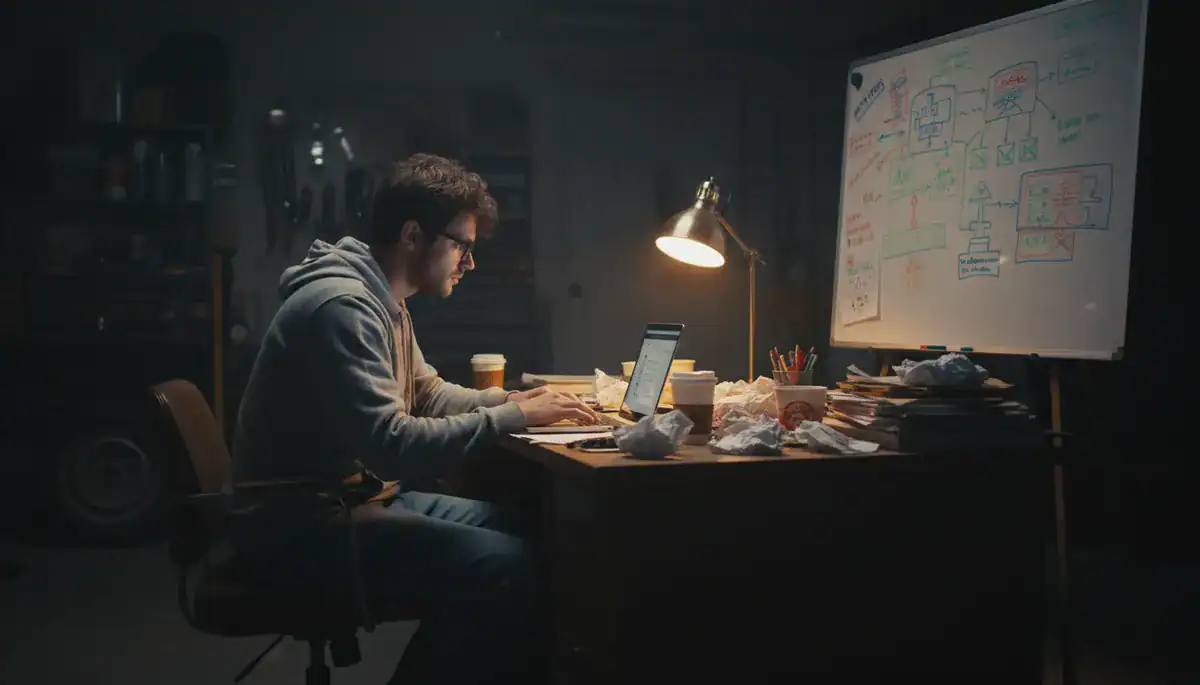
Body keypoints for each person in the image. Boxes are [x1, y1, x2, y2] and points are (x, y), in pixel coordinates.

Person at [230, 153, 596, 684]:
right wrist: (511, 417)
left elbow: (426, 394)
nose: (468, 263)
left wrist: (521, 406)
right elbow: (390, 445)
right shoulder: (344, 308)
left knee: (535, 533)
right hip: (298, 525)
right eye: (462, 246)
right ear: (411, 234)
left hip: (348, 499)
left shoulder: (384, 302)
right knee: (507, 568)